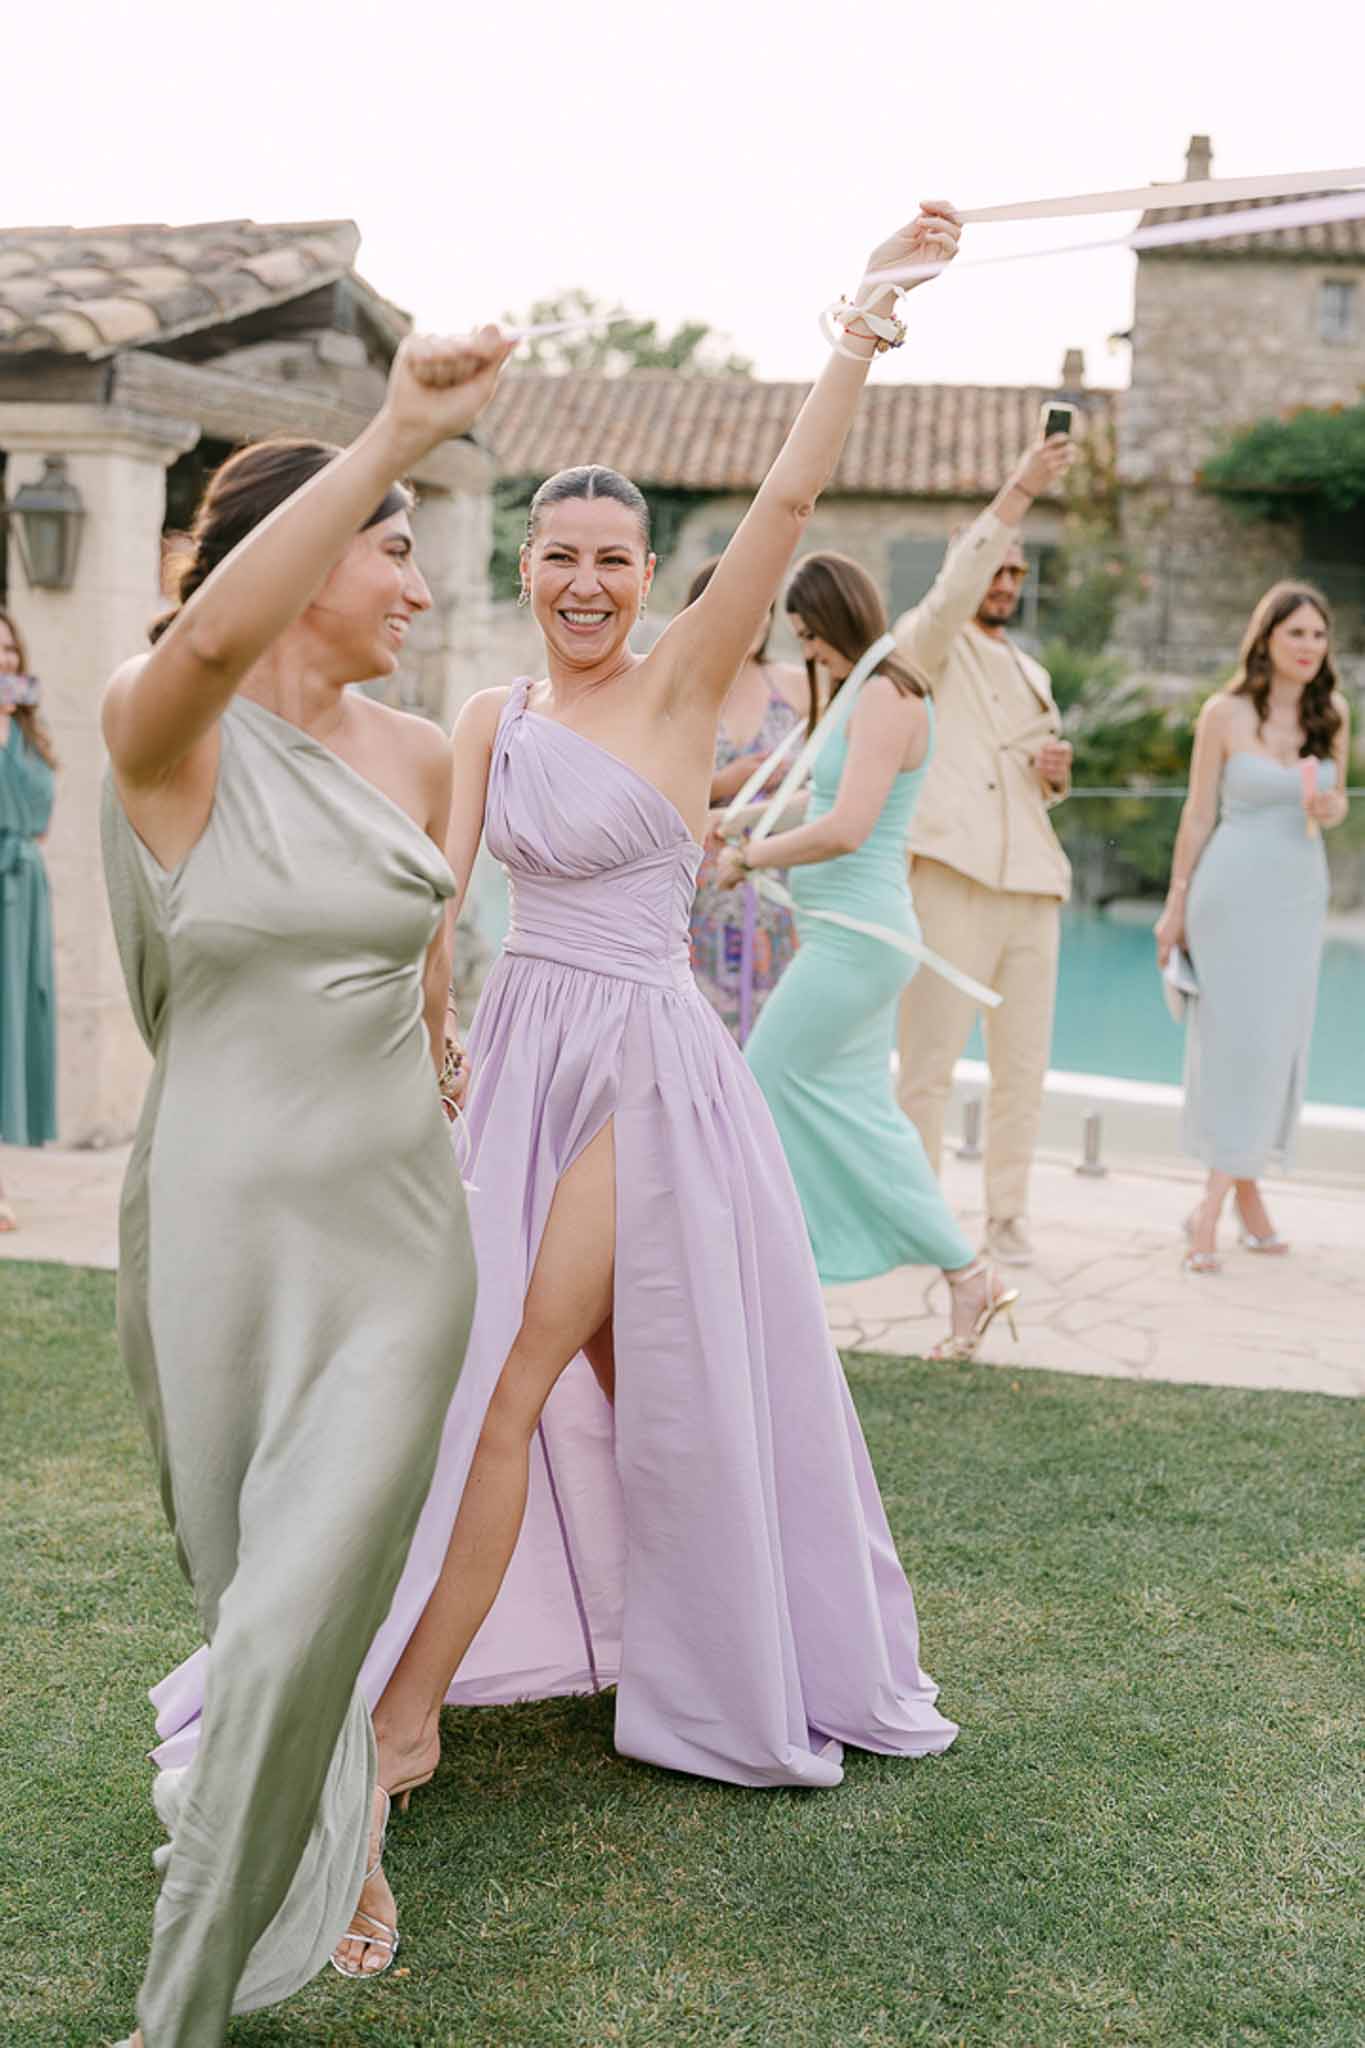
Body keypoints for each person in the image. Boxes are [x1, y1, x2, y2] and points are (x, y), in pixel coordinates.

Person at [331, 201, 965, 1809]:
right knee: (589, 1383)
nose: (590, 582)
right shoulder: (486, 709)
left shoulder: (687, 679)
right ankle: (666, 1638)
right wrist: (428, 1022)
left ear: (643, 577)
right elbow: (439, 888)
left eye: (615, 559)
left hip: (643, 1068)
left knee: (522, 1370)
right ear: (528, 570)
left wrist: (861, 321)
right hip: (518, 1058)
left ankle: (409, 1717)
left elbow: (793, 495)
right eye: (562, 558)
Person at [101, 329, 508, 2046]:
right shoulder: (163, 732)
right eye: (396, 543)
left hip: (399, 1244)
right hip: (212, 1235)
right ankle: (336, 1845)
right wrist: (394, 426)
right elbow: (206, 634)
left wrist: (439, 1036)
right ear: (310, 548)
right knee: (262, 1599)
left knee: (296, 1612)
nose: (418, 582)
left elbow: (422, 954)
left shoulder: (422, 754)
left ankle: (173, 2014)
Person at [718, 551, 1019, 1360]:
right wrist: (739, 829)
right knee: (868, 1122)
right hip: (844, 937)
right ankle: (968, 1278)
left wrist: (750, 858)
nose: (807, 653)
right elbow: (820, 803)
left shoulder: (886, 696)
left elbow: (849, 827)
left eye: (810, 636)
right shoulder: (865, 691)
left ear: (835, 621)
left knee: (758, 1083)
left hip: (858, 942)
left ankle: (768, 1274)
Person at [890, 436, 1076, 1268]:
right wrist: (1018, 493)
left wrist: (1054, 774)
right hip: (950, 874)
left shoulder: (1033, 671)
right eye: (991, 569)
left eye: (1013, 575)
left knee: (1022, 1069)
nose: (1000, 585)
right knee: (926, 1061)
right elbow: (949, 592)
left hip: (1033, 884)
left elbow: (1035, 774)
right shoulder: (927, 643)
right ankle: (919, 1216)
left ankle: (1008, 1217)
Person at [1155, 582, 1350, 1272]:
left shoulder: (1333, 715)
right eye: (1295, 632)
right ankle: (1213, 1210)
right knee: (1230, 1047)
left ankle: (1235, 1202)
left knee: (1271, 1047)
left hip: (1296, 895)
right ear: (1266, 636)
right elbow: (1197, 815)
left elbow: (1330, 809)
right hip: (1227, 894)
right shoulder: (1223, 713)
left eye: (1317, 636)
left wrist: (1329, 811)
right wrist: (1175, 904)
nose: (1307, 647)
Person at [685, 556, 808, 1039]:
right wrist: (723, 782)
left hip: (782, 893)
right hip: (698, 899)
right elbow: (645, 791)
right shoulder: (685, 692)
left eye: (763, 607)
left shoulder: (796, 685)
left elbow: (836, 778)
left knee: (774, 1045)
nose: (755, 619)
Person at [0, 608, 58, 1229]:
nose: (6, 663)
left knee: (8, 1025)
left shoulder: (30, 736)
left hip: (20, 894)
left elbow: (39, 817)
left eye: (12, 653)